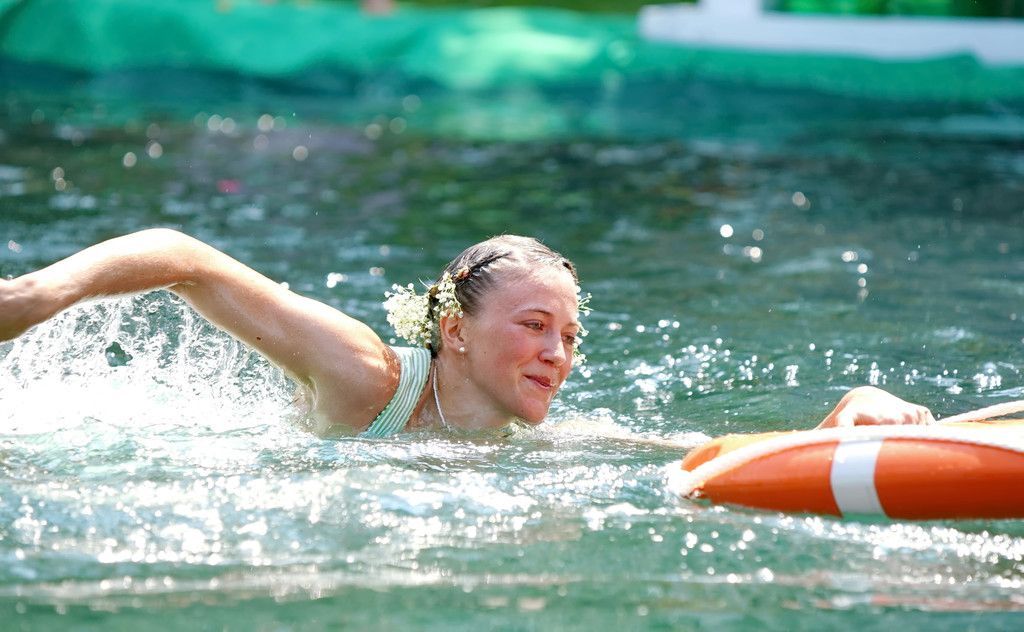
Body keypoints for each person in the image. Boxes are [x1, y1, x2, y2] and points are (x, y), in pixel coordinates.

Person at [0, 229, 934, 437]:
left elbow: (694, 461)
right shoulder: (368, 377)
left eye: (571, 335)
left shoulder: (538, 442)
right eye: (535, 326)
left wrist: (838, 421)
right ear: (452, 330)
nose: (558, 355)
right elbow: (183, 257)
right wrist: (36, 296)